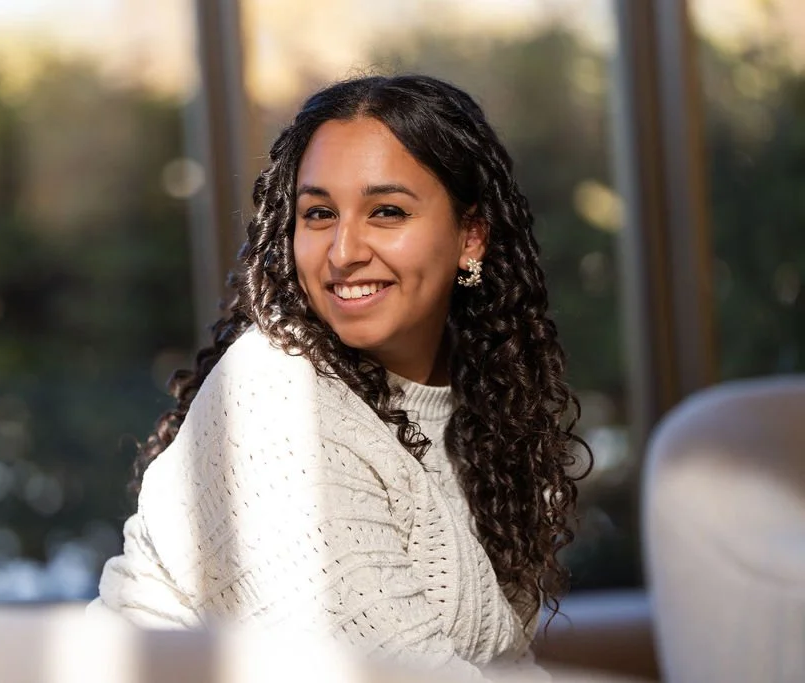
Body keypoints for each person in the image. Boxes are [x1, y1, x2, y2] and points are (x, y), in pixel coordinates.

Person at [92, 74, 591, 678]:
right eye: (320, 213)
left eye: (386, 212)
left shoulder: (487, 411)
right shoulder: (276, 397)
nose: (343, 250)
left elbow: (506, 662)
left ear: (471, 236)